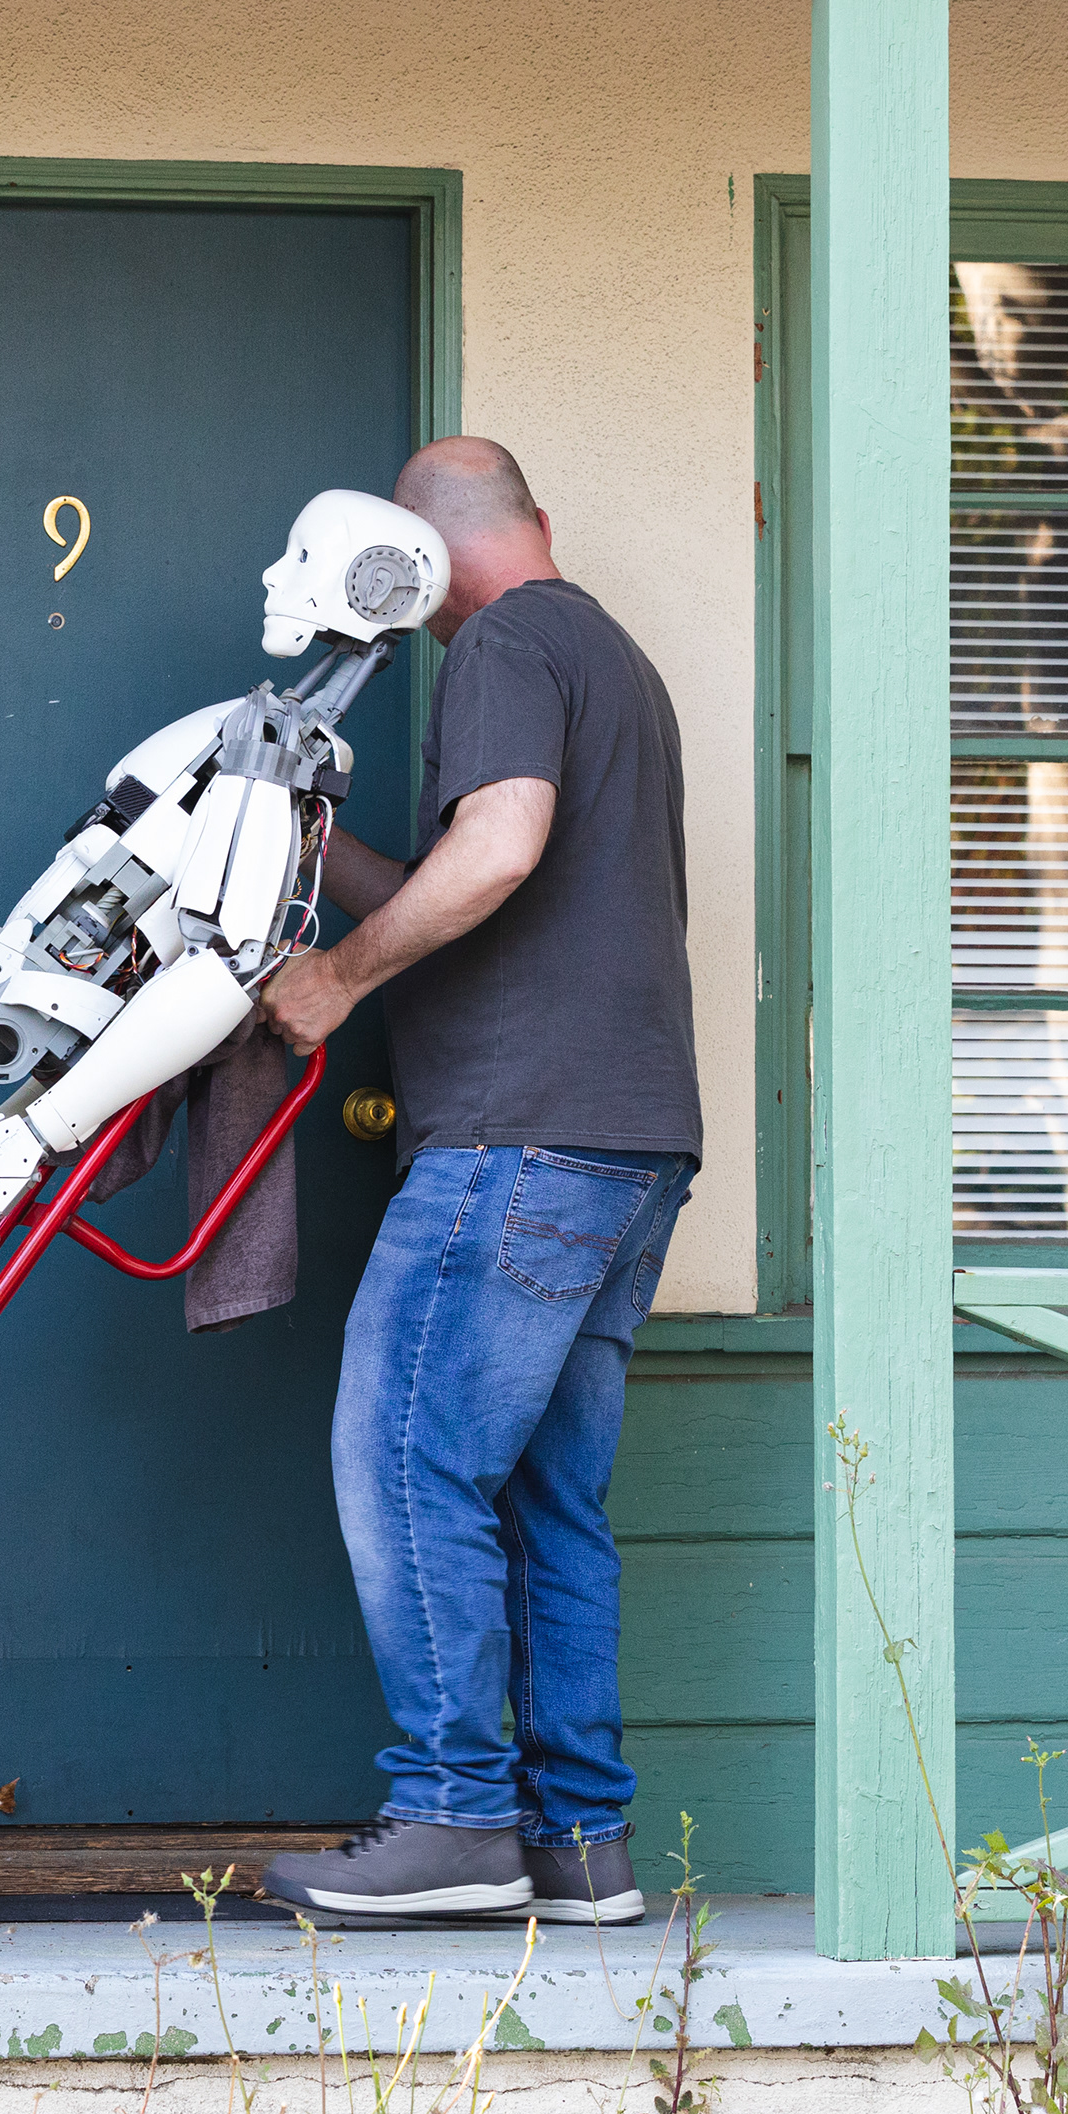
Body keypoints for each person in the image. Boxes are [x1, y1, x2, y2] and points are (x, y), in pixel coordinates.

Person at [251, 436, 698, 1928]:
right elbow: (496, 875)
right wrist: (330, 853)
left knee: (405, 1461)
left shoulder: (501, 645)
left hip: (519, 1142)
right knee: (551, 1502)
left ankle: (451, 1819)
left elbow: (499, 853)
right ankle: (580, 1844)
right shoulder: (611, 659)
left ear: (425, 555)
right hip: (630, 1145)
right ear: (540, 524)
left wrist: (333, 981)